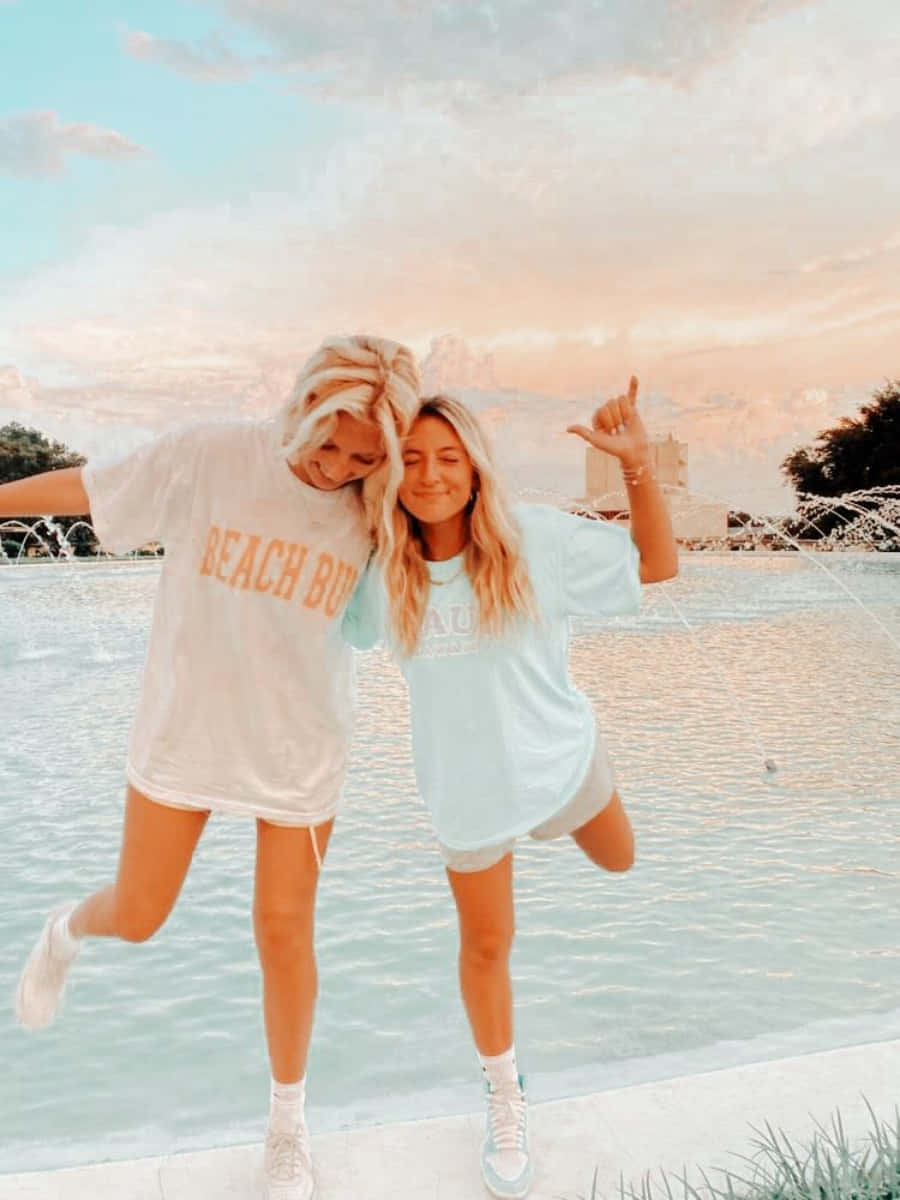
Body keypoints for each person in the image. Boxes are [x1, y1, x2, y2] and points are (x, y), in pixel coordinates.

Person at [4, 334, 420, 1200]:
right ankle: (63, 934)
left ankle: (287, 1130)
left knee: (284, 933)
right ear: (302, 403)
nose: (335, 465)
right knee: (142, 913)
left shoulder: (378, 509)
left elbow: (467, 549)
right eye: (328, 439)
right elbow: (91, 490)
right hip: (185, 733)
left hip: (301, 747)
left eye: (362, 455)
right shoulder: (210, 455)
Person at [342, 378, 678, 1199]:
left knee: (620, 861)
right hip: (465, 791)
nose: (429, 475)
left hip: (559, 760)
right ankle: (504, 1093)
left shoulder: (533, 541)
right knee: (487, 945)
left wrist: (637, 469)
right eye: (411, 459)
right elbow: (317, 627)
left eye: (448, 457)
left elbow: (659, 566)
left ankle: (574, 779)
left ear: (475, 467)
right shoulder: (380, 569)